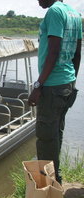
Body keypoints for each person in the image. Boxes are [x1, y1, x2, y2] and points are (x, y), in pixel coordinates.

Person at [28, 0, 82, 184]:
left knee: (45, 138)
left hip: (52, 86)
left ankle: (48, 186)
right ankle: (55, 177)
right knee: (56, 133)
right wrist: (72, 80)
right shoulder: (74, 14)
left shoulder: (54, 12)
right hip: (66, 83)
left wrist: (38, 85)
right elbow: (77, 52)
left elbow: (53, 51)